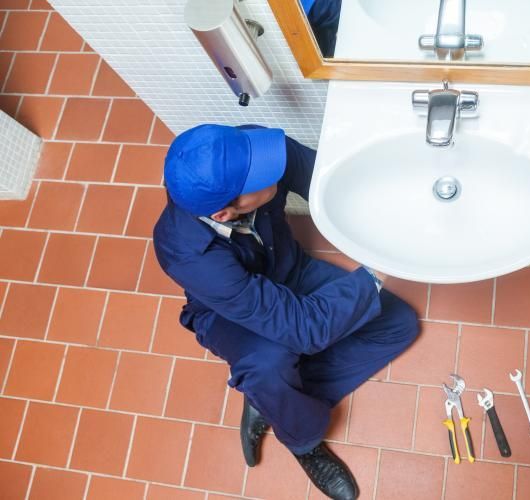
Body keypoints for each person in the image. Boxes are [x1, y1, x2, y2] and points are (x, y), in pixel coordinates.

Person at [153, 124, 419, 500]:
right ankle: (301, 439)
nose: (273, 166)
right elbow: (305, 328)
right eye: (260, 177)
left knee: (398, 325)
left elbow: (328, 183)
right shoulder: (187, 256)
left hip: (287, 270)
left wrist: (395, 213)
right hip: (228, 313)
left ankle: (273, 401)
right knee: (270, 362)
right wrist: (377, 269)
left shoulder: (253, 151)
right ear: (226, 212)